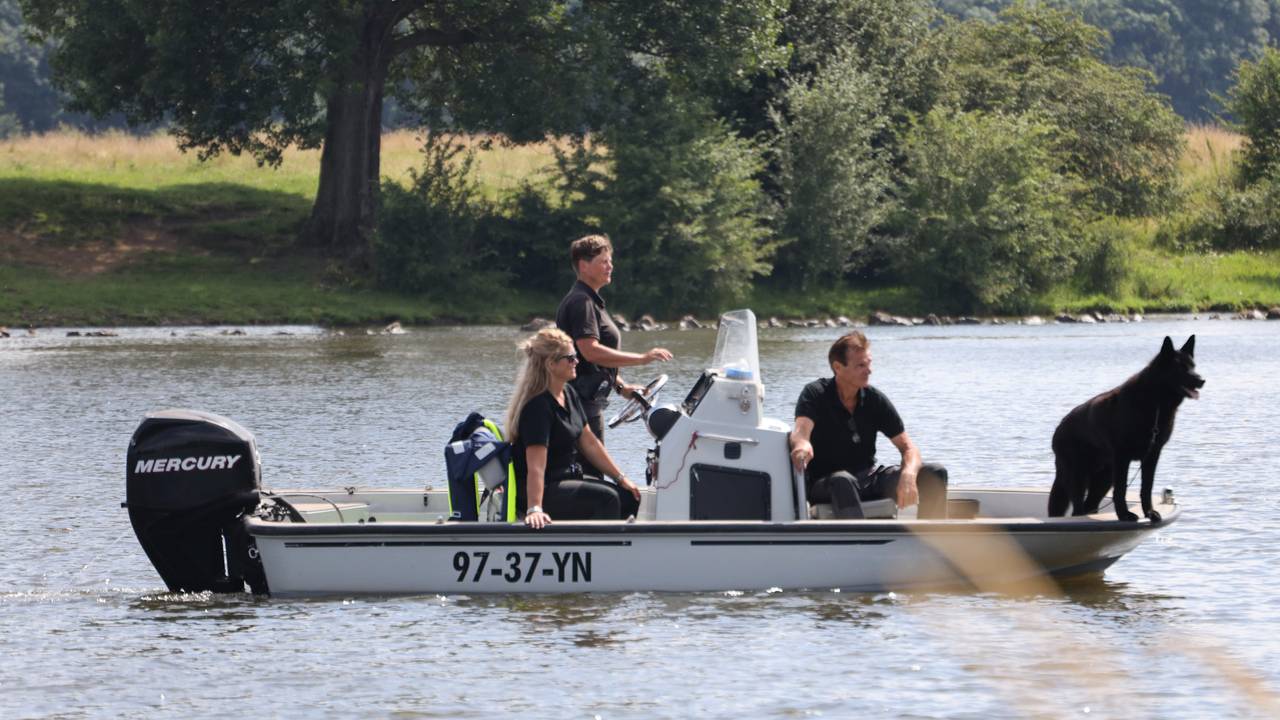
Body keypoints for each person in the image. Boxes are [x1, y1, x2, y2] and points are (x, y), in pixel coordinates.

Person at [789, 331, 948, 519]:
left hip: (867, 479)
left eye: (869, 363)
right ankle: (860, 545)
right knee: (843, 480)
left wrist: (909, 475)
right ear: (838, 368)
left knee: (935, 473)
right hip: (826, 483)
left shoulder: (875, 399)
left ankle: (929, 541)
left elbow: (909, 448)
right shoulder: (815, 393)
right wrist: (802, 445)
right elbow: (801, 431)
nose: (869, 370)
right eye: (860, 365)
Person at [504, 327, 642, 529]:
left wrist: (621, 478)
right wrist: (534, 508)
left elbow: (590, 443)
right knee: (607, 499)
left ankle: (620, 551)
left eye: (575, 356)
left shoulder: (568, 393)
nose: (577, 361)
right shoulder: (538, 408)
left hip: (568, 477)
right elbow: (536, 466)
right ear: (551, 364)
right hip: (546, 488)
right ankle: (602, 554)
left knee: (629, 497)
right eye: (570, 358)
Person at [555, 234, 673, 454]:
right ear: (583, 265)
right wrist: (642, 358)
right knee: (591, 477)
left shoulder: (591, 301)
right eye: (603, 262)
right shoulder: (582, 302)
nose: (610, 266)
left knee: (594, 473)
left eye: (610, 261)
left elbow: (593, 363)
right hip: (579, 405)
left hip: (588, 404)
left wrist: (621, 387)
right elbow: (590, 352)